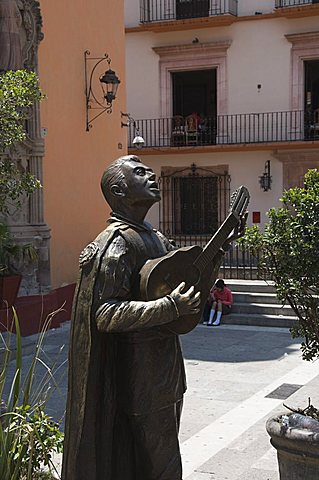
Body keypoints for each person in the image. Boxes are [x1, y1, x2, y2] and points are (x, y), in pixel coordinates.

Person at [61, 154, 245, 480]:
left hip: (168, 369)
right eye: (140, 173)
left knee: (155, 460)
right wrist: (168, 308)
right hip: (140, 373)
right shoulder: (115, 245)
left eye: (150, 171)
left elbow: (191, 281)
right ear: (118, 191)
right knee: (164, 467)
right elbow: (103, 313)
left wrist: (221, 247)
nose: (152, 176)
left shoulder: (156, 238)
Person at [0, 0, 22, 72]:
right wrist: (15, 24)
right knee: (13, 48)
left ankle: (3, 67)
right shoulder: (13, 2)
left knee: (5, 47)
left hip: (3, 26)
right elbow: (19, 17)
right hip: (14, 27)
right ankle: (14, 67)